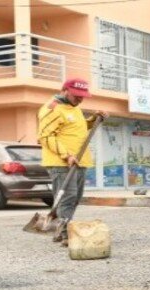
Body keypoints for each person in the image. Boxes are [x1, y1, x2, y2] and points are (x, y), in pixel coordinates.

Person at [37, 78, 107, 244]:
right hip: (62, 162)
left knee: (75, 198)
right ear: (64, 90)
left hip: (79, 161)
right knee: (68, 197)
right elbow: (45, 136)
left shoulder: (73, 108)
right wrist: (66, 155)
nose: (80, 99)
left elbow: (77, 128)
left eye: (83, 96)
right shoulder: (52, 108)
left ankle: (60, 230)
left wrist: (93, 119)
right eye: (77, 95)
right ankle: (65, 234)